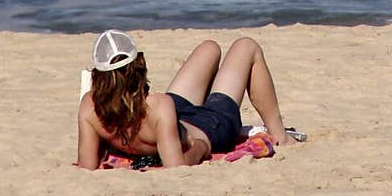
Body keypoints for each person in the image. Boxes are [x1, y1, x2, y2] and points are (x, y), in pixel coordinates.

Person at [76, 29, 297, 170]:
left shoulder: (89, 106)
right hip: (209, 128)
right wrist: (200, 147)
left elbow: (87, 165)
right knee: (246, 46)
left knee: (209, 48)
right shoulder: (159, 106)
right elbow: (177, 168)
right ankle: (280, 135)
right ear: (139, 67)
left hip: (171, 119)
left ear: (98, 75)